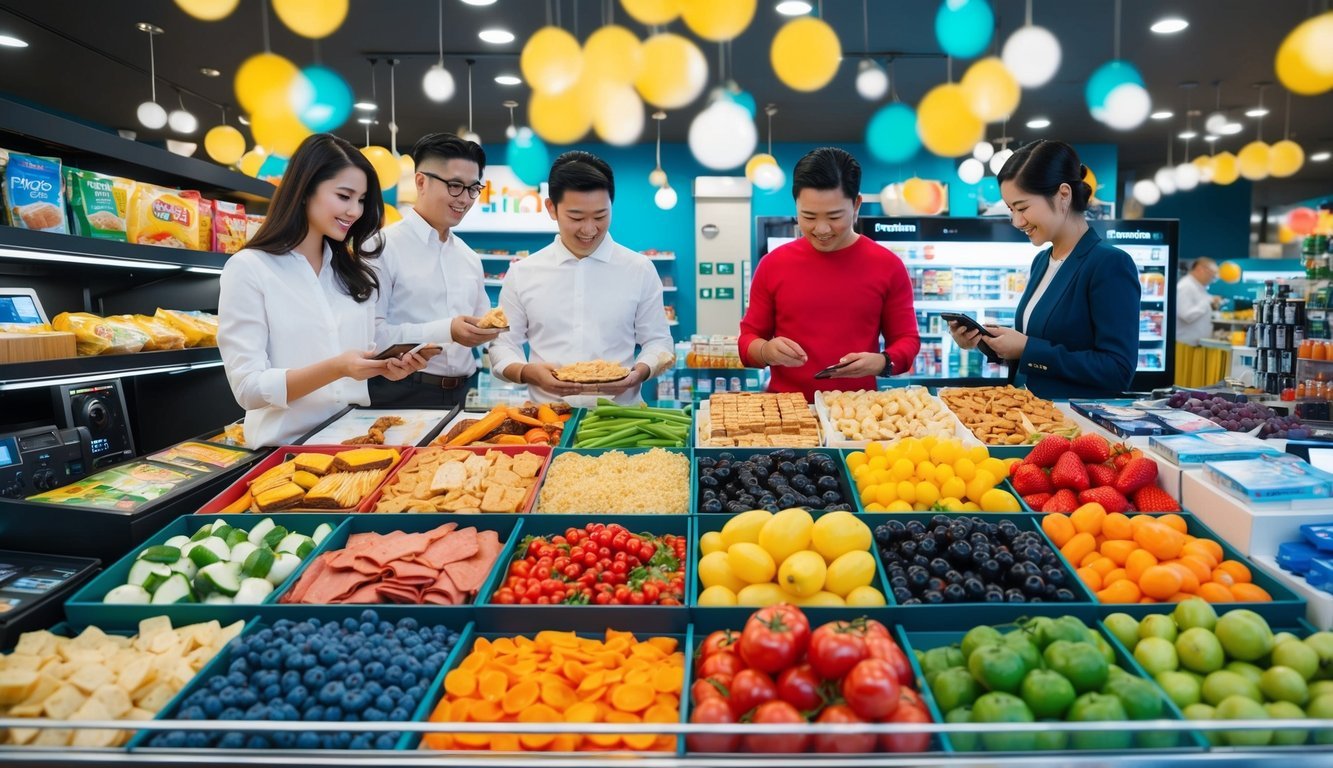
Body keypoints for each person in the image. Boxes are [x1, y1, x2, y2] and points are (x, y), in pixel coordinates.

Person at [218, 133, 429, 448]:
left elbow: (360, 359)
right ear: (305, 190)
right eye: (344, 196)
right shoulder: (250, 269)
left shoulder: (354, 274)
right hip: (285, 454)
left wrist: (385, 368)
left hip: (356, 446)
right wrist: (337, 367)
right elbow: (248, 389)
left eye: (361, 200)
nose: (355, 211)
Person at [949, 139, 1139, 399]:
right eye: (1010, 209)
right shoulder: (1042, 261)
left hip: (1074, 426)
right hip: (1032, 417)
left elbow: (1118, 370)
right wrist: (982, 341)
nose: (1016, 221)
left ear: (1063, 195)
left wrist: (1028, 349)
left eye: (1022, 207)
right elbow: (1042, 345)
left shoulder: (1109, 264)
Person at [489, 150, 675, 405]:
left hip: (622, 419)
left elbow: (659, 342)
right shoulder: (523, 272)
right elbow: (502, 345)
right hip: (549, 421)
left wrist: (639, 372)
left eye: (600, 216)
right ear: (552, 209)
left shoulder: (639, 269)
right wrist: (526, 372)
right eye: (576, 217)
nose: (589, 229)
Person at [738, 147, 920, 401]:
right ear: (796, 206)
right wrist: (766, 351)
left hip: (858, 414)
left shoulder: (888, 266)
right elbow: (747, 342)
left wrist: (882, 362)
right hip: (787, 411)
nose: (821, 229)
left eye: (834, 217)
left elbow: (906, 339)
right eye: (808, 216)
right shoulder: (773, 264)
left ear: (856, 205)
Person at [371, 133, 497, 407]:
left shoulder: (468, 257)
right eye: (454, 186)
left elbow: (483, 324)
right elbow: (371, 335)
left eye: (473, 188)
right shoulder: (380, 247)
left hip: (464, 392)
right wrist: (446, 330)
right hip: (400, 391)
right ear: (421, 182)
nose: (464, 199)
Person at [1176, 256, 1221, 345]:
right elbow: (1186, 315)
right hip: (1185, 345)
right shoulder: (1186, 287)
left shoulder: (1198, 287)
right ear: (1200, 269)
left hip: (1195, 344)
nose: (1212, 280)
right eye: (1212, 276)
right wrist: (1209, 301)